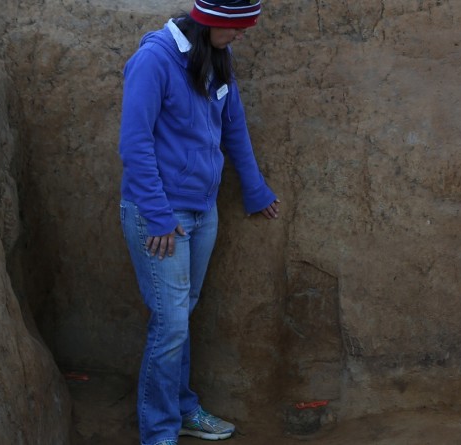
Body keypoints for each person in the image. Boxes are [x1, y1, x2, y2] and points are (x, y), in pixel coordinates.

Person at [117, 1, 278, 444]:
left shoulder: (216, 56)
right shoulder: (154, 59)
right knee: (169, 325)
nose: (242, 36)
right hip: (160, 216)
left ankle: (184, 409)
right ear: (213, 22)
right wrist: (158, 216)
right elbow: (134, 143)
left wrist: (255, 189)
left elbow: (234, 127)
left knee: (180, 318)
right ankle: (158, 433)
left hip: (202, 213)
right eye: (238, 28)